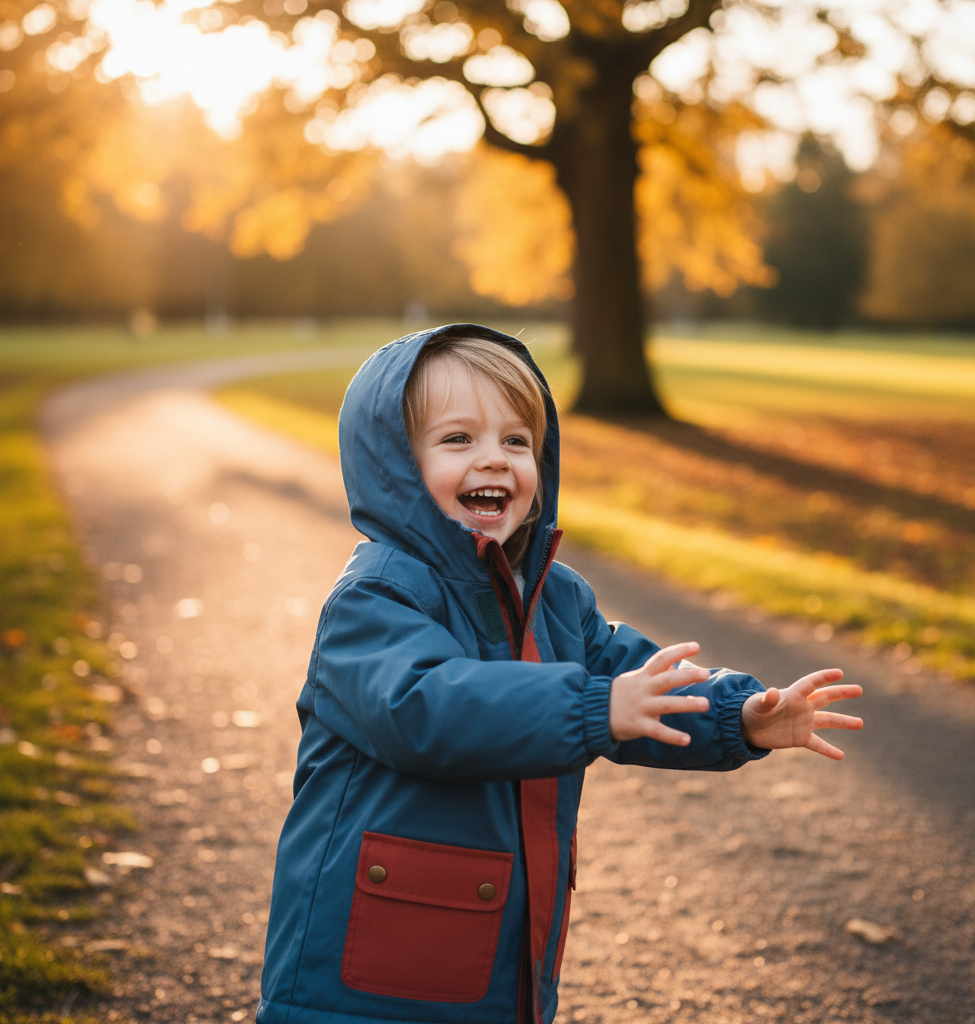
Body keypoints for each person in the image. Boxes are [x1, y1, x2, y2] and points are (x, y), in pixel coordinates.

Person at [257, 324, 863, 1024]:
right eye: (459, 440)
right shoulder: (375, 597)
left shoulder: (553, 593)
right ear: (395, 466)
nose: (495, 461)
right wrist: (591, 709)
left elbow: (632, 677)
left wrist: (736, 714)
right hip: (364, 972)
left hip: (498, 946)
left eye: (517, 441)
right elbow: (425, 709)